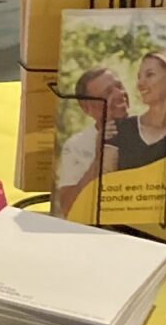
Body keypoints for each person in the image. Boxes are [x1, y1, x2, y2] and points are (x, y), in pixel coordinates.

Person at [54, 65, 132, 218]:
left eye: (119, 86)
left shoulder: (149, 130)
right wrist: (98, 160)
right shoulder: (75, 146)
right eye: (108, 93)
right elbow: (68, 207)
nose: (120, 94)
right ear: (86, 108)